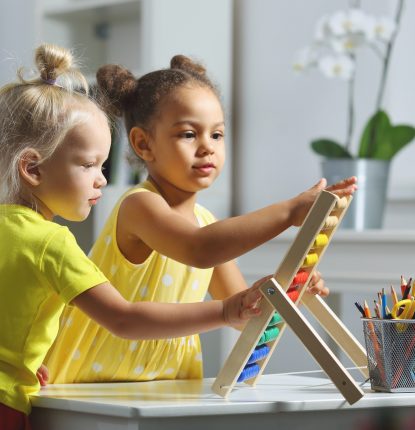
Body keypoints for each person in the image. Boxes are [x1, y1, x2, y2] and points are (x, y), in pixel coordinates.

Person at [44, 55, 357, 385]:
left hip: (167, 387)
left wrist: (291, 286)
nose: (207, 147)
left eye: (217, 135)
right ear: (142, 144)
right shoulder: (139, 206)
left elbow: (244, 316)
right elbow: (199, 248)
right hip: (88, 385)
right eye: (189, 134)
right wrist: (289, 211)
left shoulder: (204, 221)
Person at [0, 45, 266, 430]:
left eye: (102, 165)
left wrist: (26, 358)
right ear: (33, 168)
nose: (102, 179)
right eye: (88, 164)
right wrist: (224, 311)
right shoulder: (53, 244)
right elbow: (124, 319)